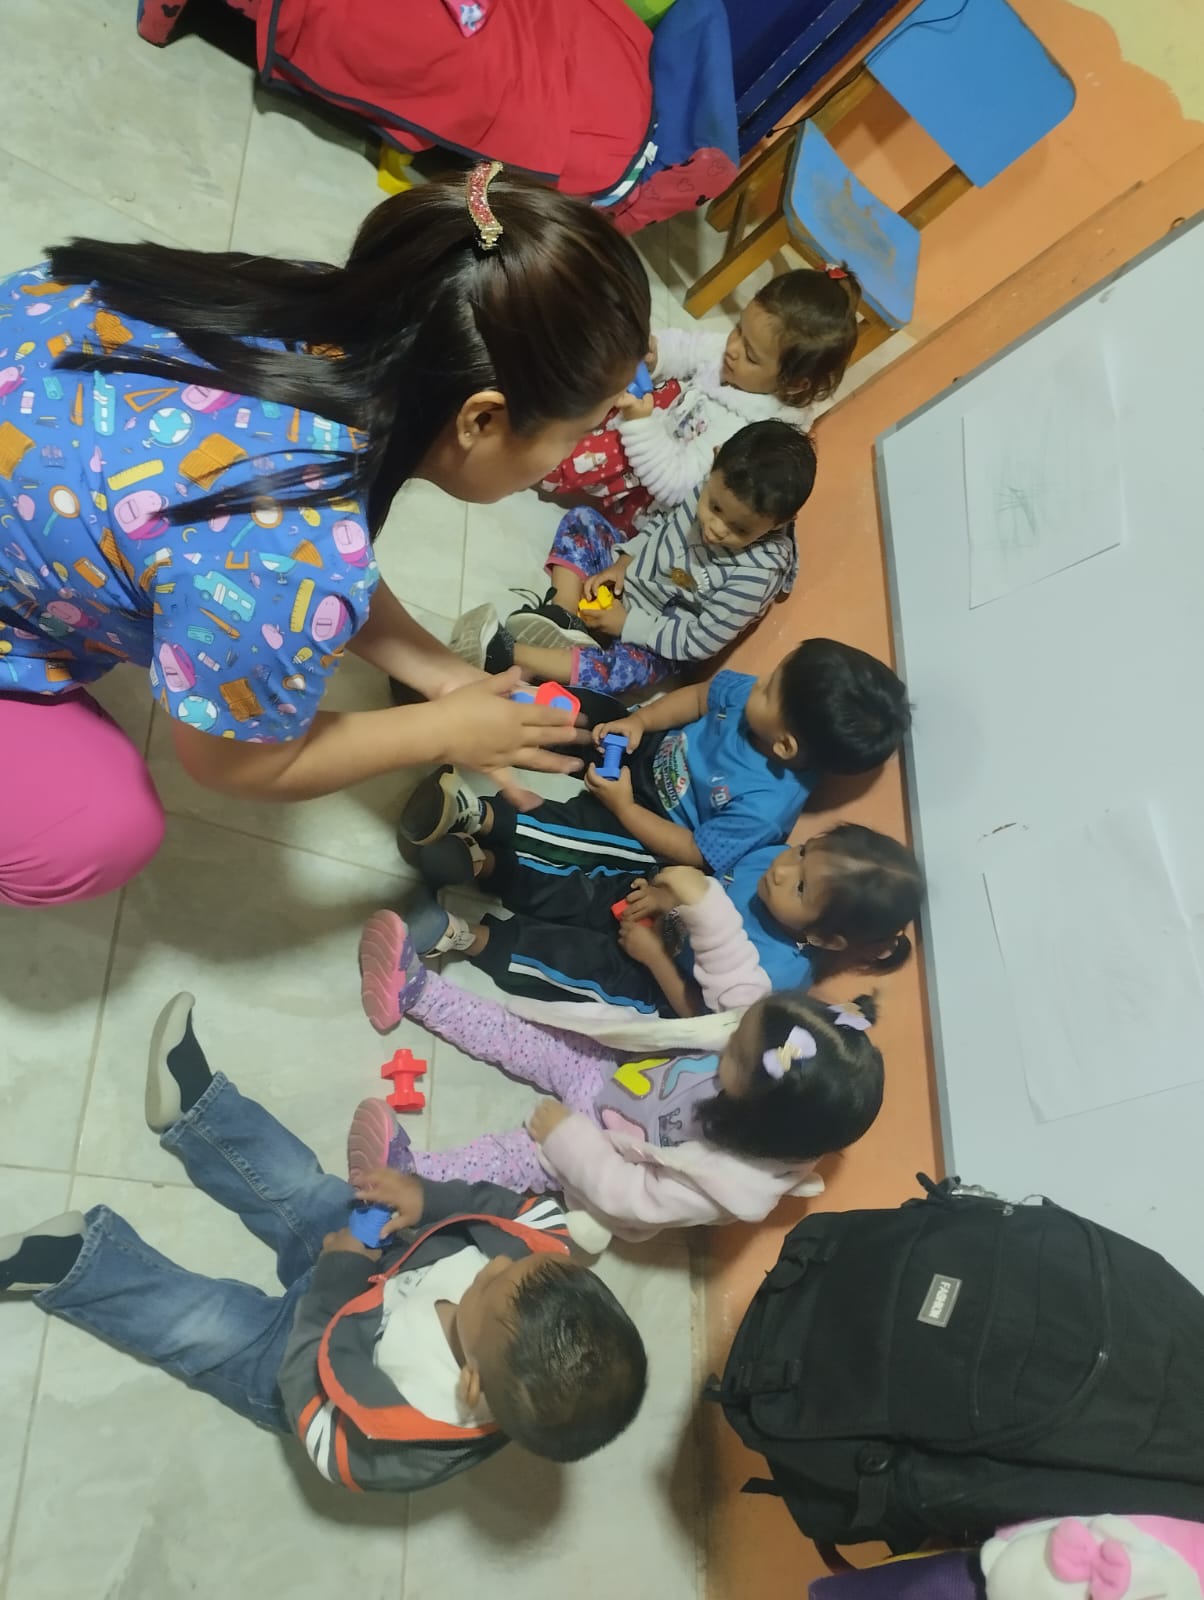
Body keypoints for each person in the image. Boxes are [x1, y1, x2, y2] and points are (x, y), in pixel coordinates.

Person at [0, 162, 651, 908]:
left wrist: (446, 677)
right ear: (482, 418)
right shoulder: (286, 553)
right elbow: (234, 763)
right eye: (584, 428)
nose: (579, 451)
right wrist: (443, 731)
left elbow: (309, 565)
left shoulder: (342, 312)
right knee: (98, 829)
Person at [0, 994, 647, 1488]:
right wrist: (428, 1199)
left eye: (494, 1282)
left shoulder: (409, 1433)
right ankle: (196, 1110)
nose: (494, 1265)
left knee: (206, 1323)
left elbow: (320, 1423)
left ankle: (75, 1264)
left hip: (306, 1358)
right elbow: (517, 1214)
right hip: (381, 1257)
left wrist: (337, 1279)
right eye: (516, 1264)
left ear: (473, 1381)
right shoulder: (542, 1255)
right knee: (309, 1191)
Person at [349, 922, 883, 1241]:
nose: (730, 1035)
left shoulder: (724, 1182)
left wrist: (567, 1139)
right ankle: (418, 992)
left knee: (512, 1160)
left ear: (757, 1113)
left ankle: (409, 1180)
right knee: (523, 1035)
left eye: (736, 1051)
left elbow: (630, 1195)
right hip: (610, 1073)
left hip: (600, 1147)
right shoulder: (760, 1049)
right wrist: (700, 904)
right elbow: (734, 977)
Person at [452, 420, 816, 698]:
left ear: (778, 523)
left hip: (658, 637)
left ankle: (509, 654)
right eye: (715, 508)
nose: (716, 529)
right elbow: (663, 526)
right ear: (715, 459)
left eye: (739, 529)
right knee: (584, 521)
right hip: (631, 580)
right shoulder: (713, 484)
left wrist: (628, 624)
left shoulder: (757, 572)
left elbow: (699, 640)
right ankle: (561, 614)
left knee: (621, 670)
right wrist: (623, 563)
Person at [536, 265, 860, 535]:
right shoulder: (736, 352)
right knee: (603, 370)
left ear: (793, 385)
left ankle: (538, 462)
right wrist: (656, 355)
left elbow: (676, 484)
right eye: (738, 329)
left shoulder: (746, 432)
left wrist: (639, 425)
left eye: (750, 355)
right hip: (660, 422)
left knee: (565, 453)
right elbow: (689, 349)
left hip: (654, 480)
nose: (732, 348)